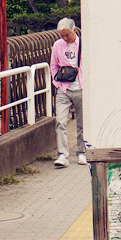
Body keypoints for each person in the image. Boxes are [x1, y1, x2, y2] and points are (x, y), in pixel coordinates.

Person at [50, 17, 86, 168]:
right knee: (60, 121)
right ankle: (63, 154)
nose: (64, 38)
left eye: (67, 34)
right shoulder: (58, 45)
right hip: (64, 89)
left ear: (74, 31)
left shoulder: (84, 44)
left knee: (82, 123)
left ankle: (82, 151)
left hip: (81, 88)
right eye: (62, 35)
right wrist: (57, 83)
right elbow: (53, 66)